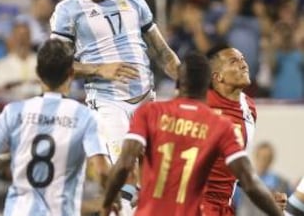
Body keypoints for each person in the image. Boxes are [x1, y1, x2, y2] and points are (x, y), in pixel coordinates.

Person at [50, 0, 180, 212]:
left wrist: (189, 85)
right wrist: (99, 69)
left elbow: (163, 53)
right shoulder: (67, 11)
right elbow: (56, 66)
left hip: (147, 99)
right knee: (125, 170)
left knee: (156, 177)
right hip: (108, 104)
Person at [101, 52, 283, 216]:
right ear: (208, 86)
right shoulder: (221, 125)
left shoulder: (150, 112)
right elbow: (248, 180)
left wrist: (106, 204)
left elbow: (125, 164)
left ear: (178, 82)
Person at [0, 38, 110, 215]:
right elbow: (102, 171)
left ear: (37, 73)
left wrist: (9, 159)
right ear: (71, 74)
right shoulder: (85, 116)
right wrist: (109, 199)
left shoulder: (14, 112)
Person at [203, 44, 286, 214]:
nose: (244, 64)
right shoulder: (202, 105)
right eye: (234, 61)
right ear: (218, 77)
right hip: (199, 204)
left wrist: (265, 195)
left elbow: (237, 168)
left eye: (243, 59)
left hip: (225, 206)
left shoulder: (249, 107)